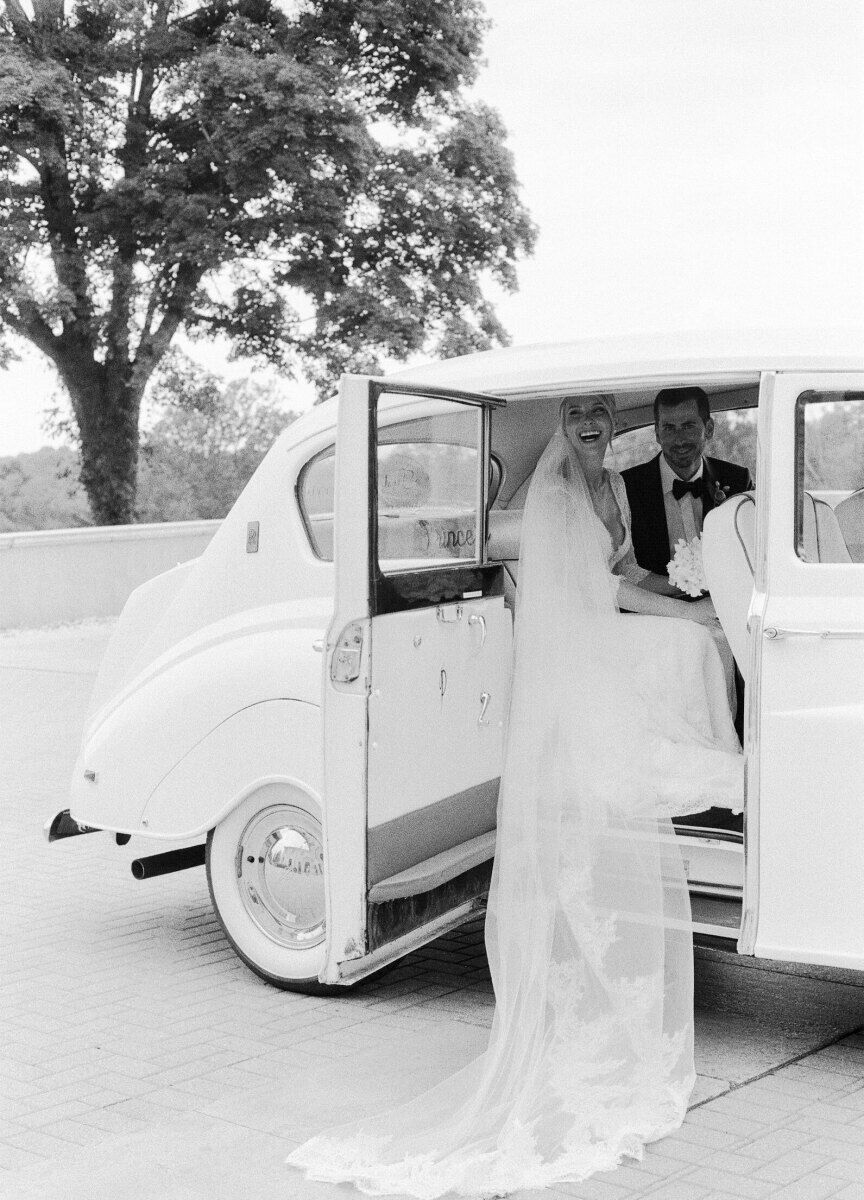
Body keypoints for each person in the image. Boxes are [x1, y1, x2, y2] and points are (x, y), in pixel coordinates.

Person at [286, 396, 743, 1198]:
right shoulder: (562, 495)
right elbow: (600, 598)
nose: (596, 425)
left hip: (605, 623)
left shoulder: (608, 489)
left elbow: (626, 569)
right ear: (566, 428)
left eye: (604, 413)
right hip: (580, 648)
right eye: (582, 417)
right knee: (681, 650)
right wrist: (687, 609)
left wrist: (694, 604)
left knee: (691, 644)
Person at [621, 386, 754, 579]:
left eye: (688, 426)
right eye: (669, 428)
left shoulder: (737, 480)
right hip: (656, 606)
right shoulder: (626, 487)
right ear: (657, 433)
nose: (679, 440)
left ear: (708, 429)